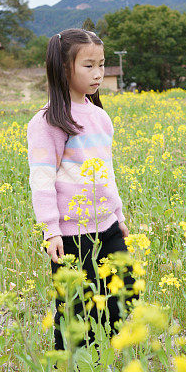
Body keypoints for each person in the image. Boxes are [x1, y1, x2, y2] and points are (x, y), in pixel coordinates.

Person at [26, 28, 137, 352]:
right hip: (72, 233)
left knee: (125, 293)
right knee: (75, 308)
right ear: (63, 68)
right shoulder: (47, 121)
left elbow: (106, 172)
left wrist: (118, 215)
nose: (98, 73)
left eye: (101, 65)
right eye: (88, 66)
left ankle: (102, 361)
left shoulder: (100, 117)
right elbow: (42, 178)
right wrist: (51, 230)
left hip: (107, 226)